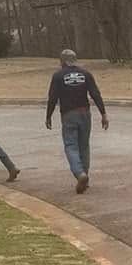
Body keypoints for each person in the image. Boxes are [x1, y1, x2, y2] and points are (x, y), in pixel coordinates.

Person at [45, 47, 109, 193]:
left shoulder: (58, 76)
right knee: (84, 146)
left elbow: (52, 98)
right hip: (85, 113)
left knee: (71, 146)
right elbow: (95, 94)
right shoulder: (86, 74)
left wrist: (48, 116)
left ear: (62, 61)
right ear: (75, 60)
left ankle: (80, 174)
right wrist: (103, 114)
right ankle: (85, 177)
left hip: (68, 114)